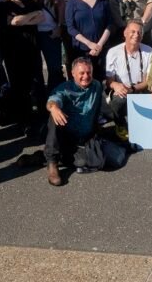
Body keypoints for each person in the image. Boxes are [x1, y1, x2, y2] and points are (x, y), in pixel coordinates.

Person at [0, 0, 44, 131]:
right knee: (19, 86)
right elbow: (14, 22)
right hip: (14, 52)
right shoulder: (1, 5)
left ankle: (39, 115)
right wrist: (30, 16)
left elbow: (41, 17)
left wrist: (24, 19)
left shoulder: (27, 1)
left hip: (32, 48)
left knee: (36, 82)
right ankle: (24, 120)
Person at [44, 58, 106, 186]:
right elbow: (53, 100)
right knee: (54, 115)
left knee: (90, 161)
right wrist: (54, 107)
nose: (86, 76)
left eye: (88, 72)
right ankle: (52, 162)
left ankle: (40, 157)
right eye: (81, 73)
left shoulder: (97, 86)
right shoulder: (64, 88)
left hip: (84, 138)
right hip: (66, 135)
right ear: (72, 73)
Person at [21, 0, 66, 93]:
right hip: (31, 31)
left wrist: (59, 25)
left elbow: (61, 3)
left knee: (54, 68)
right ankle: (39, 98)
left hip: (49, 30)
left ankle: (55, 96)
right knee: (35, 69)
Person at [104, 19, 152, 141]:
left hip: (140, 88)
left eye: (139, 32)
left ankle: (146, 125)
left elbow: (148, 80)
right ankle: (120, 124)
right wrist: (116, 85)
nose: (136, 35)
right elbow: (109, 80)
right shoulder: (113, 52)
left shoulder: (149, 51)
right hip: (123, 89)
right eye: (133, 31)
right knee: (116, 101)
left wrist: (133, 89)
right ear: (125, 33)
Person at [65, 0, 111, 79]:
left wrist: (99, 45)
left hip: (100, 48)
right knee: (82, 79)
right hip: (80, 49)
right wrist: (89, 44)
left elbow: (109, 25)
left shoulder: (103, 2)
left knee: (99, 78)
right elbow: (70, 28)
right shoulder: (72, 3)